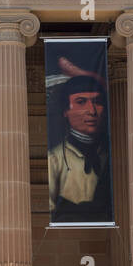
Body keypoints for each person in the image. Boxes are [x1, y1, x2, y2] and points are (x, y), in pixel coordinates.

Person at [46, 71, 112, 223]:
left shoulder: (111, 155)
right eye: (81, 102)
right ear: (65, 111)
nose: (92, 111)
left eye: (97, 101)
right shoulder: (54, 159)